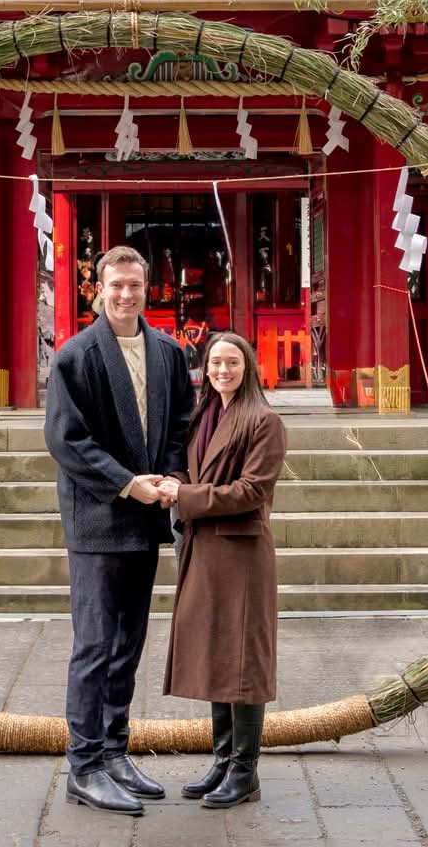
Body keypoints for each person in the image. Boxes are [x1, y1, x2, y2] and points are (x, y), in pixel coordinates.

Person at [45, 245, 194, 816]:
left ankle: (113, 749)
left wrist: (174, 477)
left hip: (148, 513)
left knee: (129, 642)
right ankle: (83, 764)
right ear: (98, 290)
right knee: (94, 644)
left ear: (147, 288)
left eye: (135, 285)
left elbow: (182, 422)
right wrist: (128, 482)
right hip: (99, 515)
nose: (126, 295)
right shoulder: (76, 356)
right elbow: (66, 440)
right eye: (116, 286)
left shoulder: (167, 351)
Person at [158, 331, 287, 809]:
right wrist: (174, 481)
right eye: (215, 362)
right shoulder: (205, 415)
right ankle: (221, 759)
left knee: (245, 660)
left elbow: (253, 490)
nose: (222, 370)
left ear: (247, 367)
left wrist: (185, 497)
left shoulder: (264, 420)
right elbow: (198, 475)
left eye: (232, 362)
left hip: (242, 553)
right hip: (204, 548)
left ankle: (245, 770)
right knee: (217, 651)